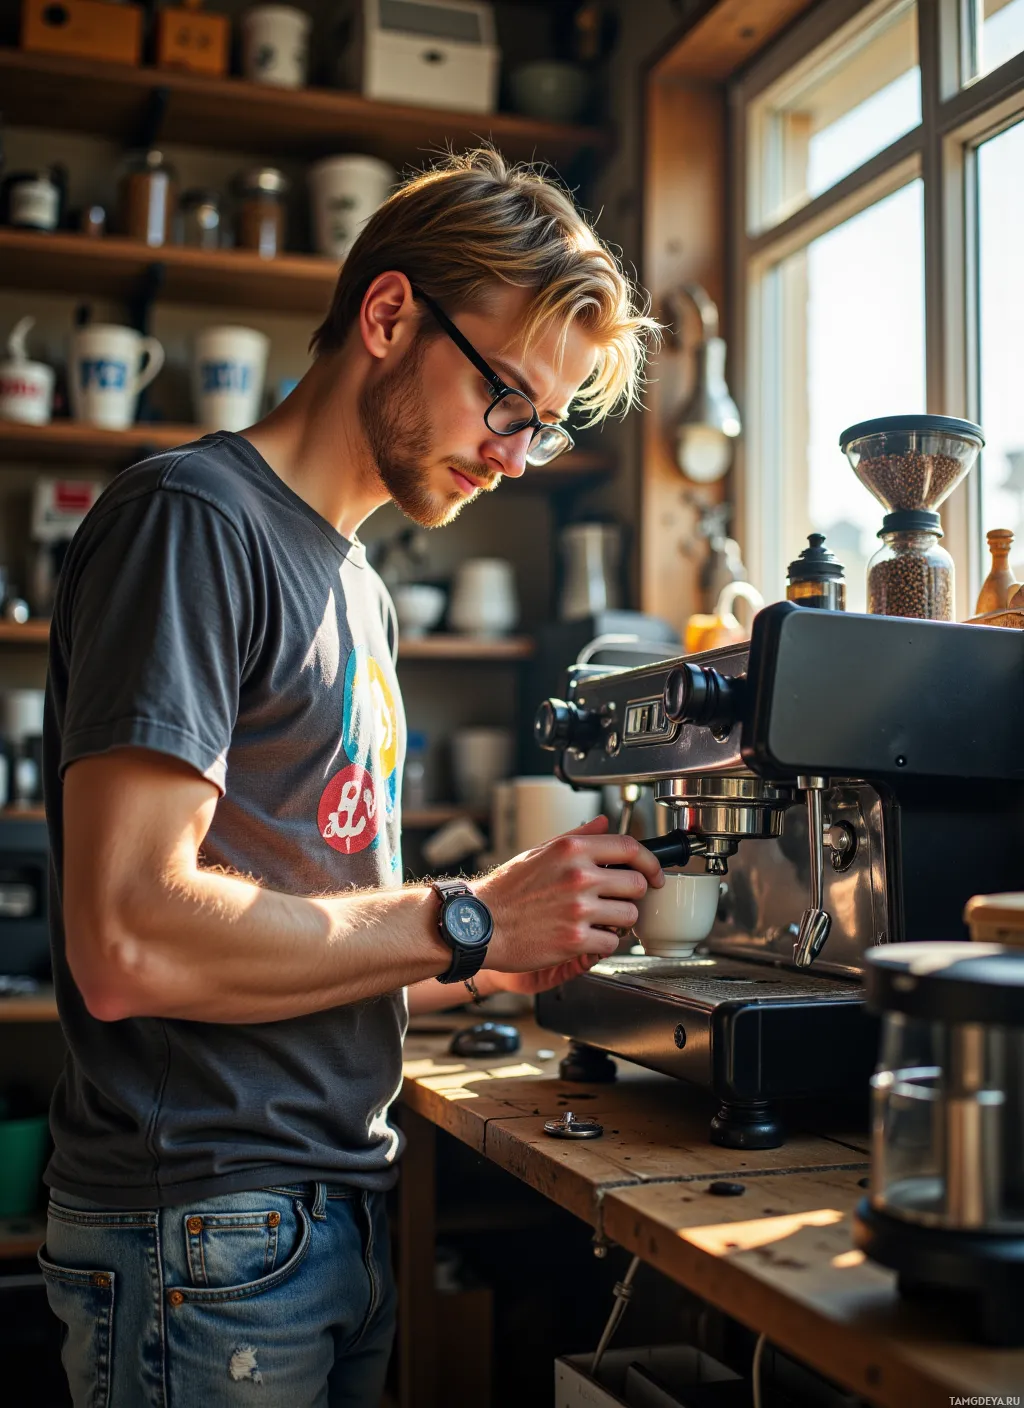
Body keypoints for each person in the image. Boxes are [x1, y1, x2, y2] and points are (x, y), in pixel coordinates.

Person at [39, 147, 662, 1407]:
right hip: (203, 1229)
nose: (514, 452)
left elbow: (298, 939)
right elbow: (127, 941)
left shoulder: (361, 592)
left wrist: (490, 954)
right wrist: (462, 914)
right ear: (388, 316)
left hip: (325, 1207)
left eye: (541, 429)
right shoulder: (195, 522)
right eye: (507, 400)